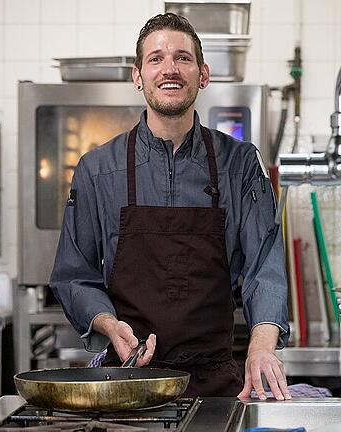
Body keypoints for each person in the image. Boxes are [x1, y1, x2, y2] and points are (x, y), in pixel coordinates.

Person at [49, 12, 291, 401]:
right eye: (156, 58)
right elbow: (73, 275)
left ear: (203, 74)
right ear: (138, 76)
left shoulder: (240, 164)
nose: (170, 69)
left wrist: (262, 345)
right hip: (129, 384)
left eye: (182, 57)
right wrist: (110, 326)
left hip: (215, 386)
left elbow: (265, 265)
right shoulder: (97, 169)